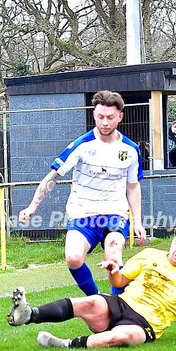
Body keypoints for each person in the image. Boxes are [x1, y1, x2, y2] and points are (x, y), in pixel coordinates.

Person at [6, 224, 176, 349]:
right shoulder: (150, 255)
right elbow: (119, 282)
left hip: (145, 324)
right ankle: (29, 315)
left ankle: (64, 344)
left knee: (122, 336)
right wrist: (114, 271)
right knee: (92, 301)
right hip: (122, 304)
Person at [18, 90, 147, 296]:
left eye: (110, 117)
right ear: (94, 115)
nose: (104, 122)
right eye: (100, 117)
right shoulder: (81, 145)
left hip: (114, 213)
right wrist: (33, 206)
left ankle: (119, 305)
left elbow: (133, 186)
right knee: (73, 258)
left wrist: (138, 222)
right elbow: (52, 177)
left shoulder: (130, 150)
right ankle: (96, 300)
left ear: (120, 117)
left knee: (113, 255)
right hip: (82, 213)